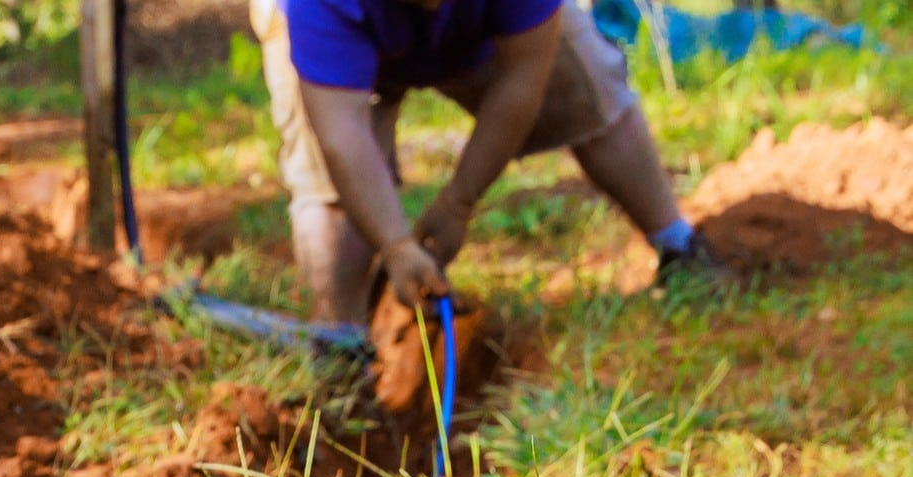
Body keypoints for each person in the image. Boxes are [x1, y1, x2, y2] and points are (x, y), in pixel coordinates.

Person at [249, 0, 735, 325]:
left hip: (484, 33)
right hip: (334, 32)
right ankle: (340, 344)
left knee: (587, 88)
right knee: (328, 186)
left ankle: (677, 244)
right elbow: (341, 134)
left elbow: (525, 75)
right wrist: (396, 245)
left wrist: (460, 201)